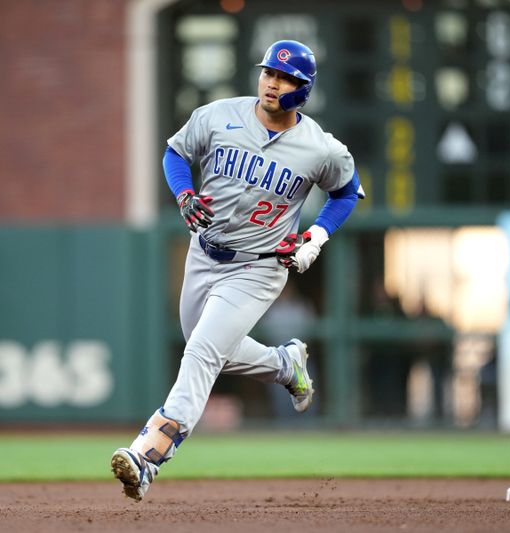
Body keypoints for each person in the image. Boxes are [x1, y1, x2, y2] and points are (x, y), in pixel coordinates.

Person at [110, 39, 364, 501]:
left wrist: (316, 237)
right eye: (269, 72)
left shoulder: (319, 148)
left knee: (203, 351)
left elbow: (347, 192)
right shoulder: (218, 115)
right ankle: (284, 364)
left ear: (303, 89)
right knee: (210, 348)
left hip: (259, 266)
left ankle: (151, 451)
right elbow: (174, 154)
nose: (273, 82)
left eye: (286, 78)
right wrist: (184, 194)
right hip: (204, 253)